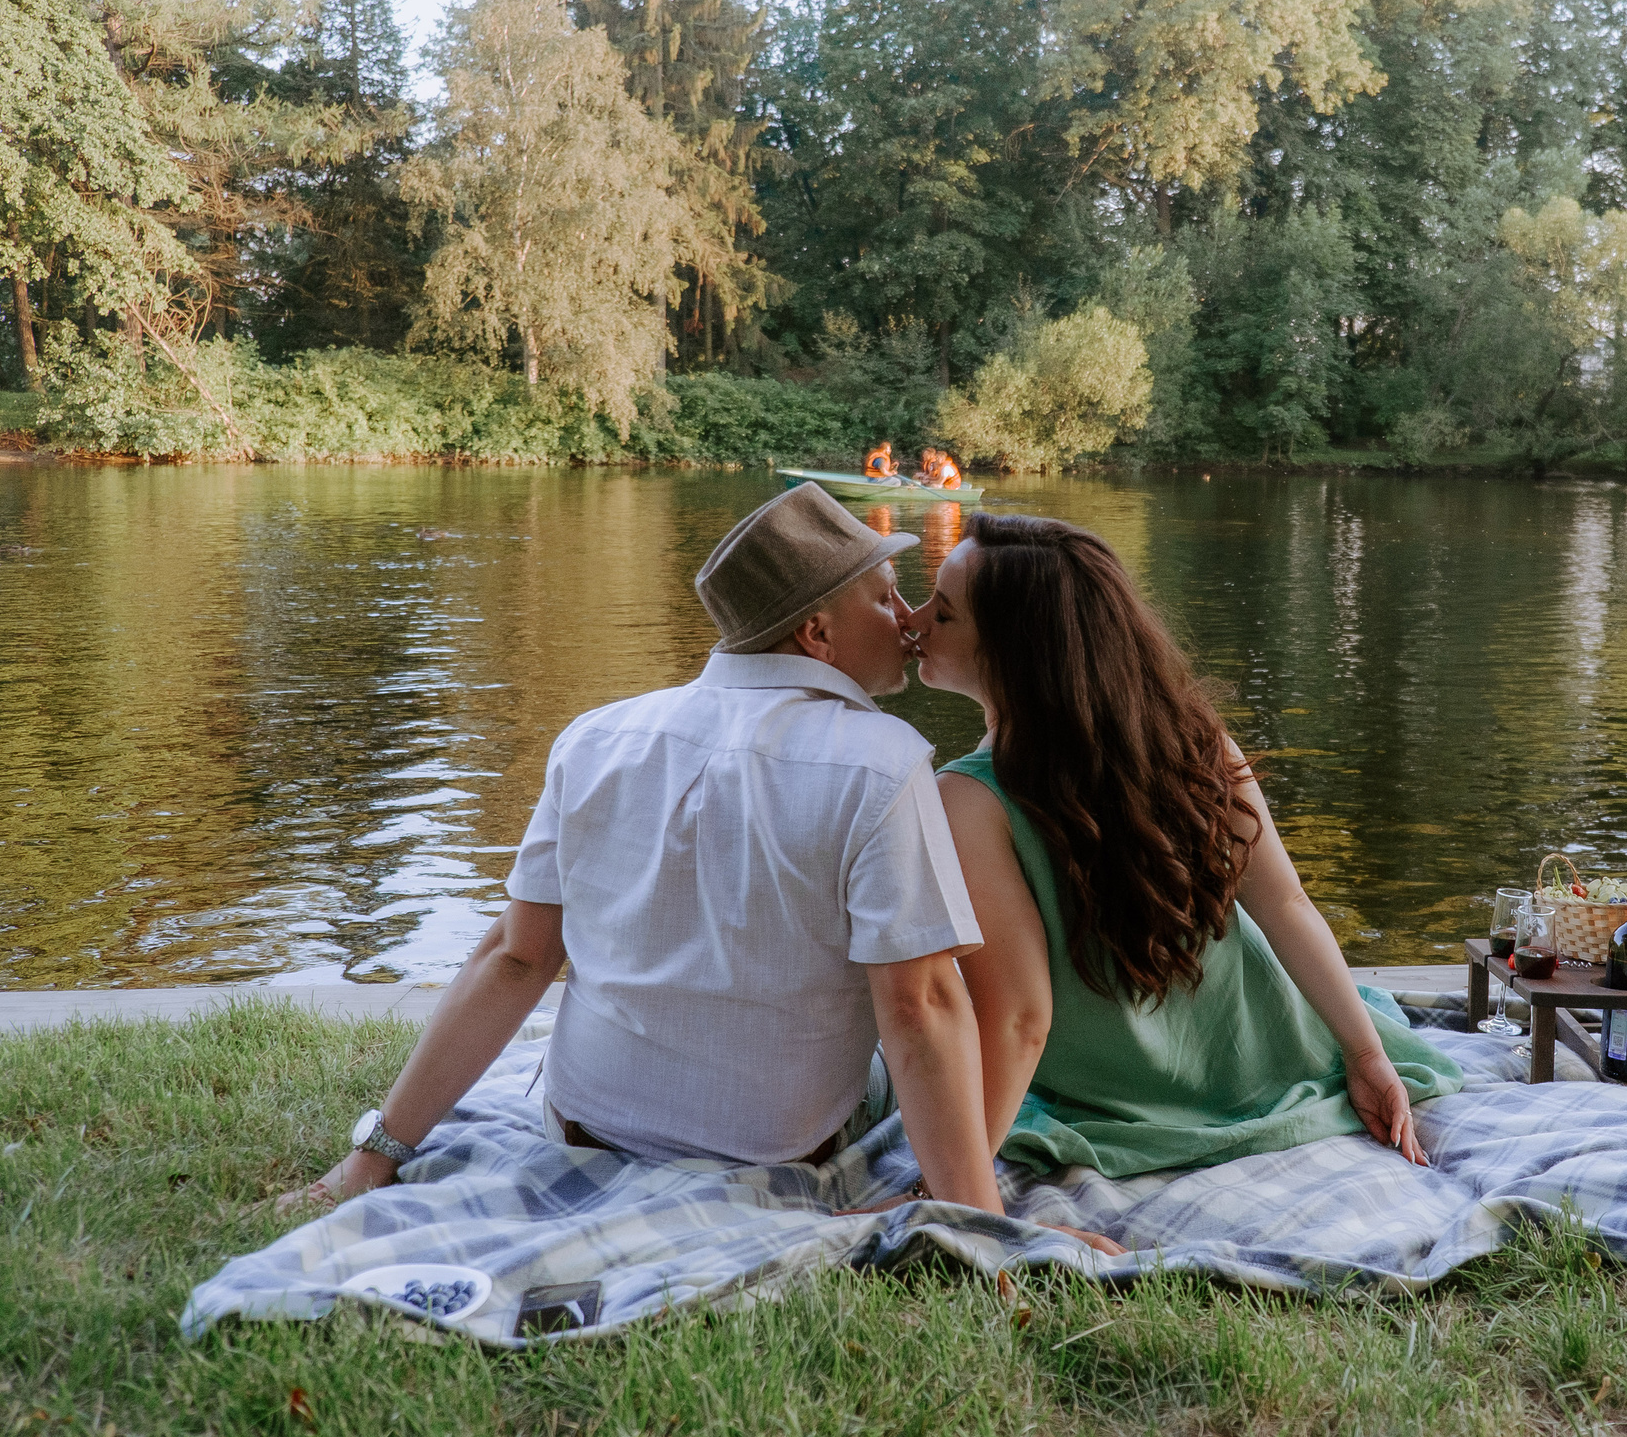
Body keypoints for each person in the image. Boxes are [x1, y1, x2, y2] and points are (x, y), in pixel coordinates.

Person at [285, 488, 1117, 1253]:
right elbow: (918, 1007)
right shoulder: (884, 762)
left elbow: (515, 956)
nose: (907, 620)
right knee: (941, 994)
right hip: (777, 1152)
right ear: (816, 633)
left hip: (585, 1129)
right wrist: (984, 1227)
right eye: (884, 596)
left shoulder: (593, 737)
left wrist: (375, 1155)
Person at [907, 513, 1465, 1179]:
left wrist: (948, 1189)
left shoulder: (968, 798)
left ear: (1013, 652)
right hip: (1265, 1053)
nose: (913, 621)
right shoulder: (1195, 741)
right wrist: (1366, 1053)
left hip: (1122, 1089)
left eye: (942, 613)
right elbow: (1286, 904)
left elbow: (1022, 1019)